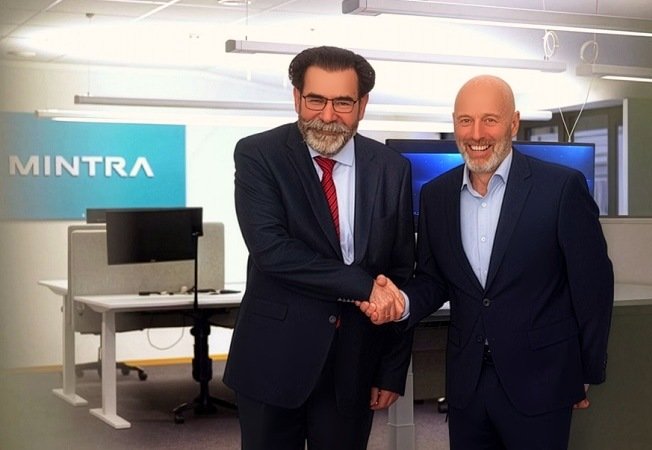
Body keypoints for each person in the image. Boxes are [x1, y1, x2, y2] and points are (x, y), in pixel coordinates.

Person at [362, 75, 614, 449]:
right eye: (466, 120)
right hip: (467, 384)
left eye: (490, 120)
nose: (476, 133)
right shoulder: (436, 195)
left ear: (513, 123)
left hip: (542, 380)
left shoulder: (561, 188)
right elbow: (433, 278)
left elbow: (593, 286)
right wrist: (402, 302)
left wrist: (585, 372)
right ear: (454, 124)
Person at [223, 46, 416, 450]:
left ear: (362, 105)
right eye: (316, 100)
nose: (327, 116)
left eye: (343, 102)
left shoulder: (391, 168)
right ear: (297, 97)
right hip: (274, 360)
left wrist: (391, 368)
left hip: (354, 366)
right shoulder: (259, 155)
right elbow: (273, 251)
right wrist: (364, 287)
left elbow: (400, 271)